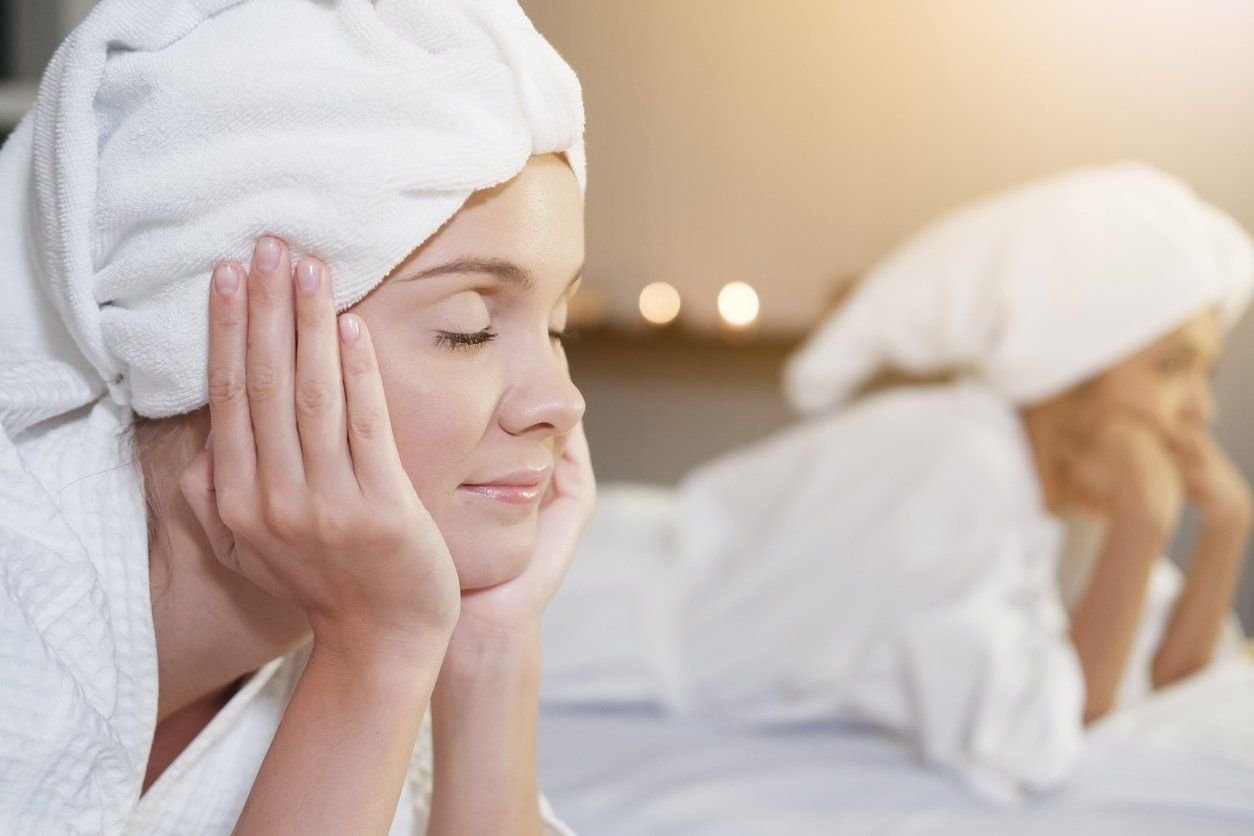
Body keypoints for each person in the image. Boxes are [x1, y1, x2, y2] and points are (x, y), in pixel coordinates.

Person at [0, 1, 592, 833]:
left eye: (559, 328)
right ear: (223, 344)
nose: (562, 402)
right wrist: (373, 651)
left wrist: (488, 653)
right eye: (469, 327)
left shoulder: (398, 612)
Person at [541, 164, 1254, 802]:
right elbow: (1034, 742)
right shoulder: (960, 464)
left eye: (1206, 371)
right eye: (1172, 366)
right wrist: (1142, 528)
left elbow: (1170, 689)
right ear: (1076, 356)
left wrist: (1226, 528)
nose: (1201, 408)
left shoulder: (1048, 495)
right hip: (577, 600)